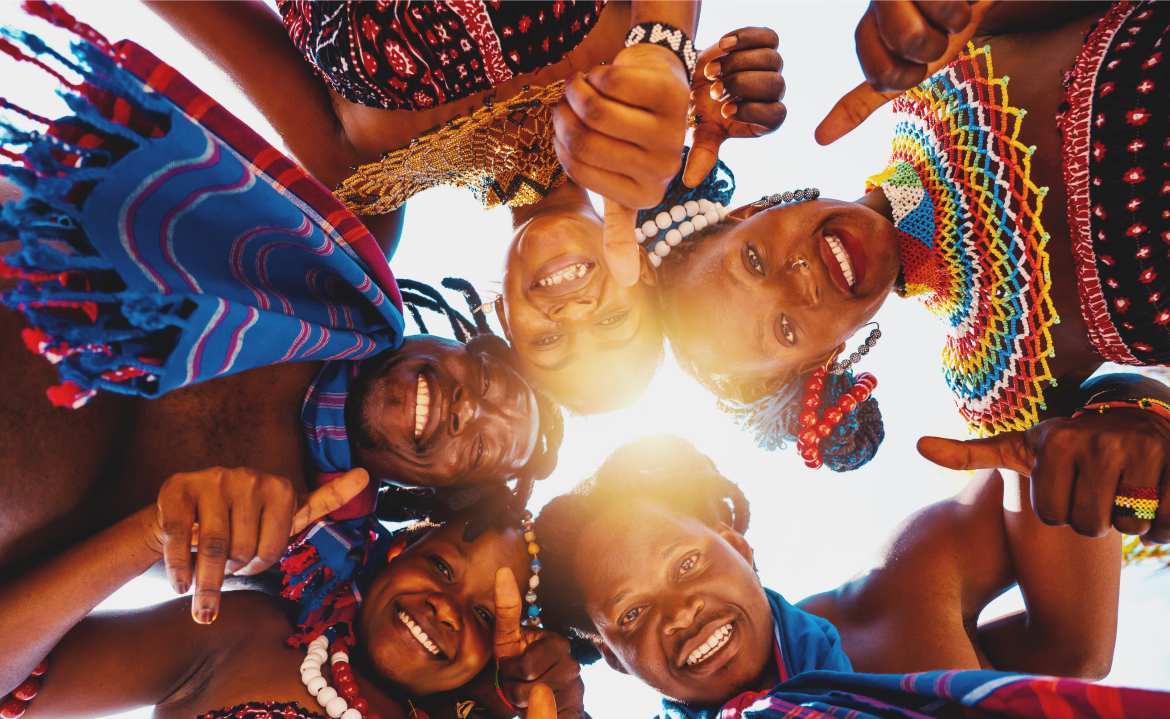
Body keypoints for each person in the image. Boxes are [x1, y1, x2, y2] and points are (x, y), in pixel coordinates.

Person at [0, 18, 560, 638]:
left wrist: (155, 538)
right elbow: (250, 41)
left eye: (483, 449)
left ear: (437, 491)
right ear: (453, 340)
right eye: (492, 381)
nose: (474, 411)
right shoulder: (344, 251)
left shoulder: (305, 564)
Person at [647, 0, 1170, 541]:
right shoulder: (1000, 383)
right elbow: (1135, 448)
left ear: (750, 213)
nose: (798, 280)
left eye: (753, 260)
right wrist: (1145, 434)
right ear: (823, 358)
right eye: (785, 328)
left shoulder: (940, 66)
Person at [132, 0, 788, 412]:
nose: (574, 313)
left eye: (552, 341)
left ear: (501, 316)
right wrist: (665, 50)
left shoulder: (363, 180)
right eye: (614, 323)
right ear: (642, 270)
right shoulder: (643, 63)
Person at [534, 434, 1170, 719]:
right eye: (631, 616)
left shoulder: (902, 592)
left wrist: (1126, 421)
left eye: (688, 565)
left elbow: (1047, 453)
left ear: (736, 544)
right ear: (614, 663)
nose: (679, 613)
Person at [0, 464, 605, 719]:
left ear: (498, 656)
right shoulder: (242, 632)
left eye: (486, 616)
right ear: (389, 555)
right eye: (440, 565)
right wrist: (151, 533)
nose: (447, 606)